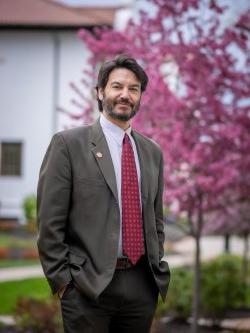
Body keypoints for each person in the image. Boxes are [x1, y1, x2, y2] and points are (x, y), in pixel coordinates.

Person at [37, 54, 170, 333]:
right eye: (117, 86)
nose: (125, 95)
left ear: (140, 96)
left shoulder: (152, 152)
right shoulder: (68, 145)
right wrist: (64, 284)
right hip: (87, 288)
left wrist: (155, 266)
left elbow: (155, 220)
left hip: (141, 286)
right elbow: (50, 224)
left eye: (133, 89)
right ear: (100, 92)